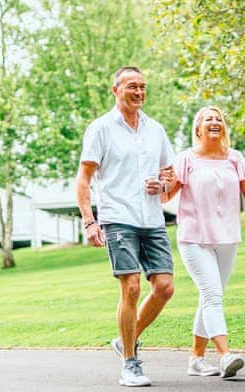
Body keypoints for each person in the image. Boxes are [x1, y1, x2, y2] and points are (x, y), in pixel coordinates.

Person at [75, 66, 176, 387]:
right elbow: (84, 179)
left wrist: (161, 185)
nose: (139, 92)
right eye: (133, 86)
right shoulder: (101, 129)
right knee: (131, 286)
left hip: (152, 219)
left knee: (164, 287)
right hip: (118, 218)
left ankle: (124, 342)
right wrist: (89, 221)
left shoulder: (155, 129)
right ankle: (131, 363)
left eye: (143, 87)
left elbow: (170, 175)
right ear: (115, 89)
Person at [161, 106, 245, 379]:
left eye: (218, 119)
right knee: (212, 295)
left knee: (211, 296)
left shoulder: (234, 158)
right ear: (198, 128)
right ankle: (225, 356)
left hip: (227, 237)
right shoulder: (186, 159)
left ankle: (196, 359)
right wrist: (162, 184)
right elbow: (166, 197)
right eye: (208, 119)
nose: (214, 122)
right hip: (194, 237)